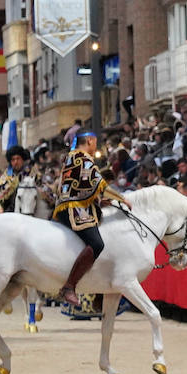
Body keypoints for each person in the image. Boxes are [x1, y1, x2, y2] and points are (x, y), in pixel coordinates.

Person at [51, 131, 131, 308]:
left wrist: (99, 201)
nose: (96, 146)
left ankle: (98, 290)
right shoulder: (83, 157)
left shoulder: (72, 157)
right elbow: (100, 185)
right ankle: (69, 286)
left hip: (72, 204)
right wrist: (122, 198)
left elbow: (82, 187)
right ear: (89, 141)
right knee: (96, 244)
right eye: (95, 142)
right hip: (73, 208)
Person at [0, 145, 34, 214]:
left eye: (18, 159)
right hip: (10, 211)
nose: (16, 162)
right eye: (13, 160)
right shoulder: (5, 178)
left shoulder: (32, 173)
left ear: (22, 159)